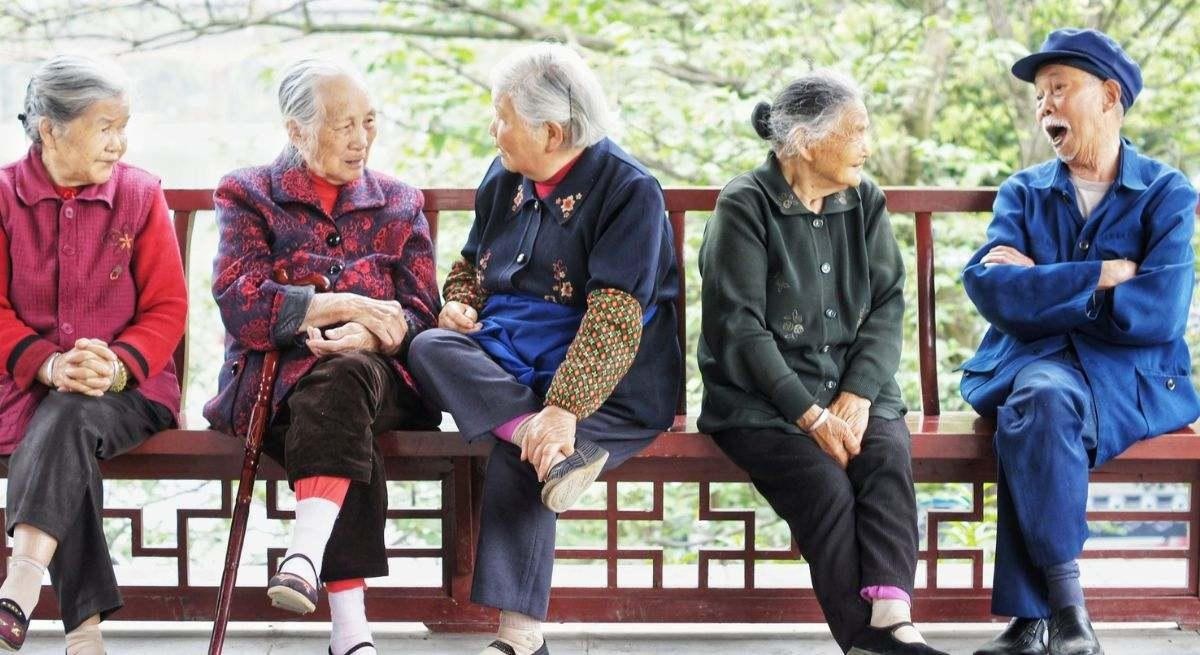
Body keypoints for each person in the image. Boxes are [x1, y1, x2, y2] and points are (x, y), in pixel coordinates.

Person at [407, 43, 681, 655]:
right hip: (508, 359)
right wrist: (461, 303)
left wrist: (563, 409)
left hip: (608, 378)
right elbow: (472, 265)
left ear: (552, 131)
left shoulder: (629, 190)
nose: (493, 128)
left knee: (524, 443)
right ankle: (544, 441)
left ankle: (520, 638)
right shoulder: (503, 176)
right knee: (428, 344)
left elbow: (614, 317)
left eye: (502, 116)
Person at [960, 28, 1199, 655]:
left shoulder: (1166, 193)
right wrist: (1098, 276)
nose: (1044, 108)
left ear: (1110, 96)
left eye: (1059, 89)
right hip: (1042, 370)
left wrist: (1042, 288)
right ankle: (1069, 616)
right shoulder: (1023, 191)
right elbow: (989, 289)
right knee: (1038, 399)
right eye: (1039, 96)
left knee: (1036, 405)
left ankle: (1034, 618)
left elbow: (1159, 312)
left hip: (1129, 380)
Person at [697, 71, 948, 655]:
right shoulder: (745, 204)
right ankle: (868, 641)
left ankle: (893, 618)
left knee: (885, 458)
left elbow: (888, 302)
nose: (869, 144)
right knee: (825, 489)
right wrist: (810, 415)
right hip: (763, 401)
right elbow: (737, 328)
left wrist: (858, 395)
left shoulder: (865, 199)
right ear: (808, 142)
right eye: (857, 131)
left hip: (857, 390)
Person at [203, 59, 441, 655]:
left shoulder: (399, 201)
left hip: (383, 384)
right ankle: (350, 635)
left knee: (349, 375)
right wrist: (346, 306)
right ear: (296, 130)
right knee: (338, 400)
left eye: (368, 122)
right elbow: (244, 305)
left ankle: (305, 554)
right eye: (343, 126)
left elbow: (422, 315)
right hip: (275, 389)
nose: (361, 139)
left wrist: (378, 334)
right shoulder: (248, 194)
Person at [0, 55, 187, 654]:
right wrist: (49, 364)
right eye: (105, 126)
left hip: (130, 391)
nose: (119, 142)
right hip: (24, 387)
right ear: (50, 129)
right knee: (60, 422)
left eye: (123, 126)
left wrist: (115, 365)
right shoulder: (4, 196)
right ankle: (85, 635)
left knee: (69, 416)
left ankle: (21, 583)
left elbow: (166, 308)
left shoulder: (139, 194)